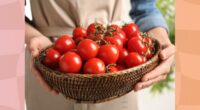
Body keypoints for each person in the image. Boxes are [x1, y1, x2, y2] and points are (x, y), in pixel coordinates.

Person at [25, 0, 175, 110]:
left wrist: (161, 40)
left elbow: (145, 9)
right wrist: (32, 36)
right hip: (50, 57)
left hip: (116, 68)